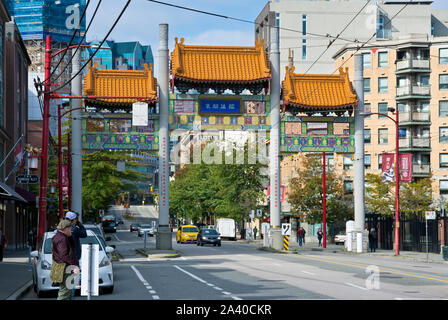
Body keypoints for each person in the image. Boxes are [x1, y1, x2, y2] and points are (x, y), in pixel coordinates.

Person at [52, 219, 79, 300]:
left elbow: (72, 247)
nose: (71, 230)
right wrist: (74, 266)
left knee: (69, 292)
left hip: (63, 267)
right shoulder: (62, 239)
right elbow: (64, 255)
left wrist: (70, 236)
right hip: (65, 268)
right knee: (65, 293)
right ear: (66, 228)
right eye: (70, 228)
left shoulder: (58, 236)